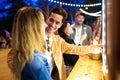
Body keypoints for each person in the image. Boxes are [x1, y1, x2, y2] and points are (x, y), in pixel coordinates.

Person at [44, 7, 101, 80]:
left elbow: (76, 49)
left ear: (60, 25)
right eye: (51, 20)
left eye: (57, 23)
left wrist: (97, 47)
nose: (53, 24)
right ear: (47, 19)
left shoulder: (58, 40)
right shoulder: (35, 37)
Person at [7, 7, 52, 80]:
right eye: (42, 22)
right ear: (34, 28)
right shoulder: (35, 59)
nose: (46, 25)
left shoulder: (23, 52)